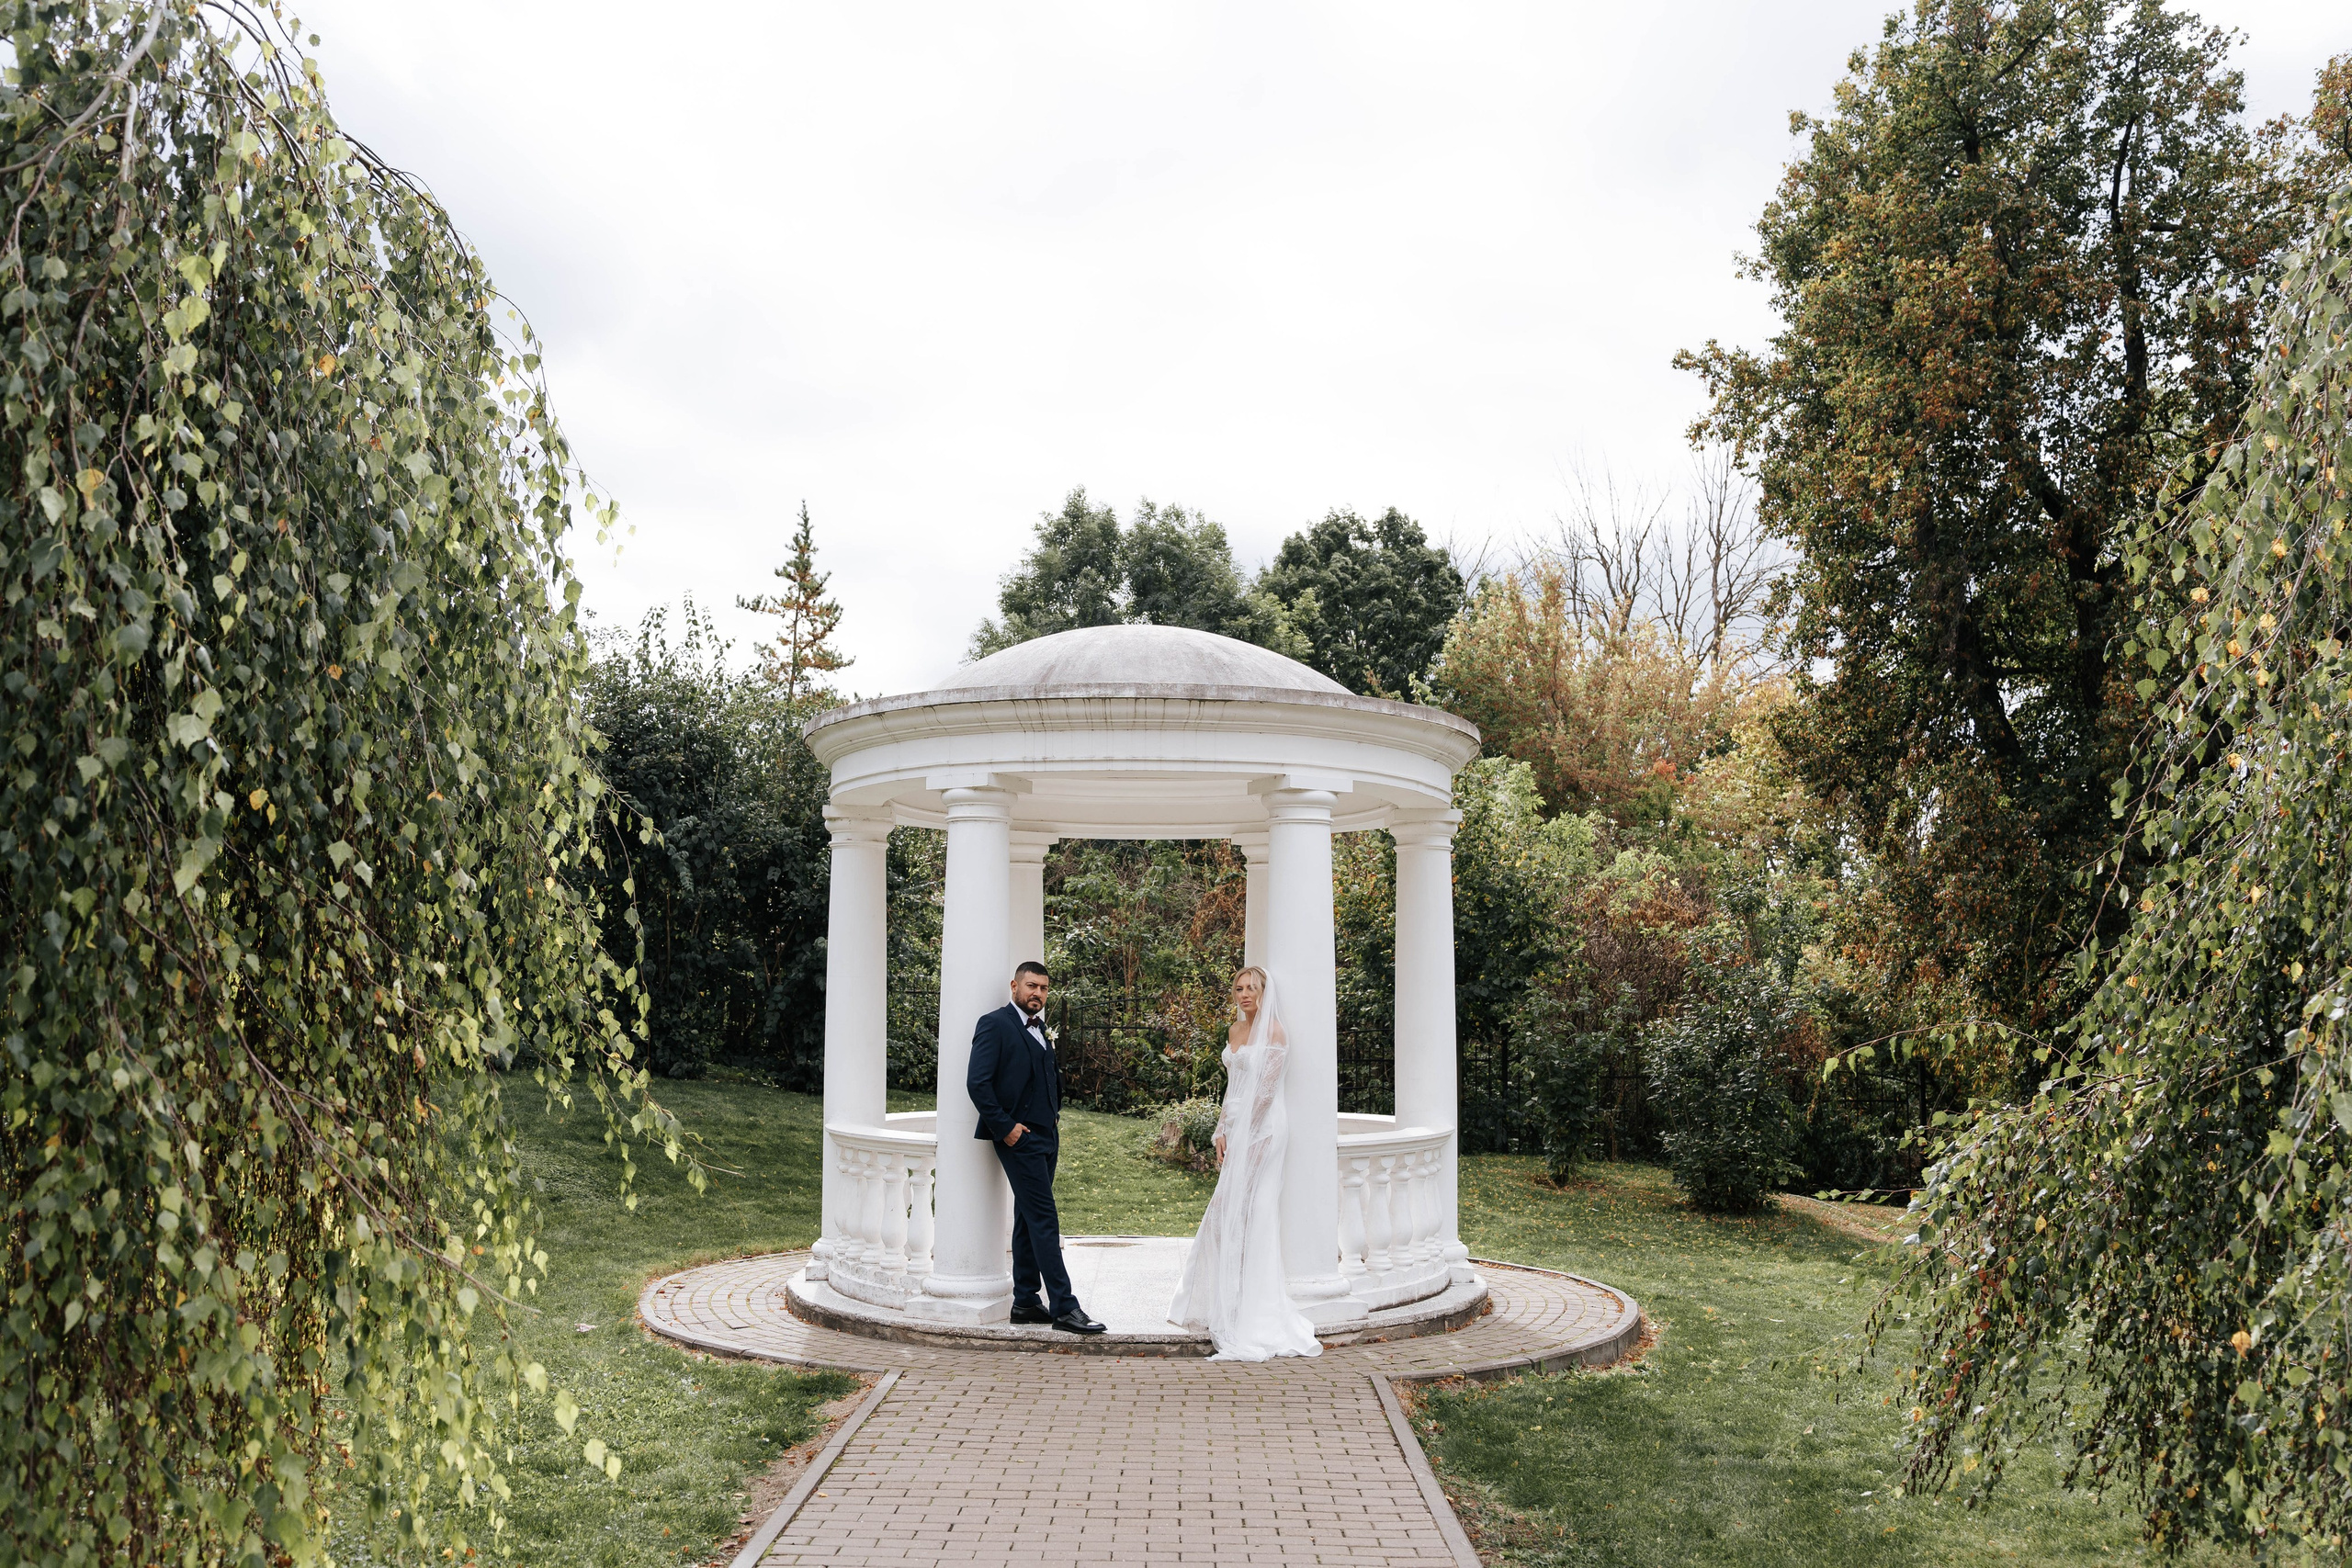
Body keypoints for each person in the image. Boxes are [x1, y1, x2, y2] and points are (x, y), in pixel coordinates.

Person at [1166, 965, 1321, 1360]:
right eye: (1239, 988)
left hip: (1264, 1131)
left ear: (1265, 993)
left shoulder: (1275, 1033)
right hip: (1237, 1128)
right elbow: (1234, 1088)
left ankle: (1248, 1312)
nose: (1244, 994)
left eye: (1252, 988)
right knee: (1225, 1213)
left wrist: (1244, 1138)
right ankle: (1222, 1303)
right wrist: (1221, 1129)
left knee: (1244, 1213)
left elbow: (1264, 1094)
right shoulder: (1235, 1032)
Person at [967, 961, 1105, 1336]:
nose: (1038, 994)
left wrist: (1055, 1113)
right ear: (1014, 985)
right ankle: (1065, 1307)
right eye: (1031, 986)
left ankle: (1026, 1301)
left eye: (1043, 989)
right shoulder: (995, 1024)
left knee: (1028, 1219)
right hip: (1020, 1137)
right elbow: (978, 1083)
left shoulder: (1040, 1027)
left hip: (1047, 1135)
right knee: (1045, 1219)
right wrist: (1007, 1129)